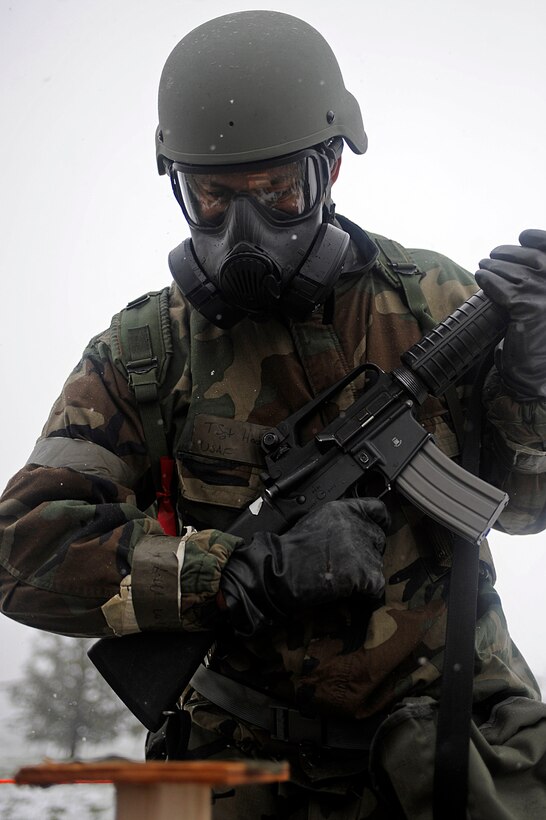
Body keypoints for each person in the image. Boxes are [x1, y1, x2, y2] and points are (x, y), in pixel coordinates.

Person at [1, 9, 546, 819]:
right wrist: (239, 570)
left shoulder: (436, 302)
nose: (244, 235)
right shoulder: (145, 351)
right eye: (213, 198)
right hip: (246, 763)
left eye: (280, 191)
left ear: (332, 170)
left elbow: (527, 509)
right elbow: (21, 550)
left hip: (457, 742)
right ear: (176, 183)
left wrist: (533, 387)